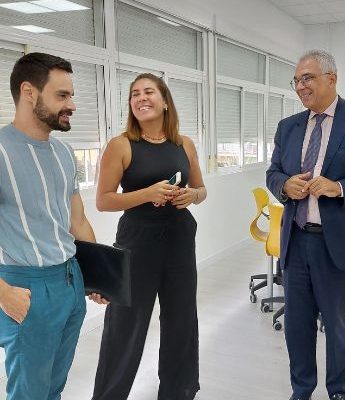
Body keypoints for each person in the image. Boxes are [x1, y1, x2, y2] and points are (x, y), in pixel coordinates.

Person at [266, 49, 345, 400]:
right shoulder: (288, 127)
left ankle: (338, 390)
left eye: (307, 78)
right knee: (296, 326)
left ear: (332, 78)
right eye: (296, 80)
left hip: (338, 243)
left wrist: (339, 188)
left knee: (337, 326)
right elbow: (273, 173)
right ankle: (302, 390)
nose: (300, 86)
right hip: (296, 241)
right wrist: (284, 185)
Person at [92, 73, 206, 400]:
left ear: (165, 101)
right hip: (137, 242)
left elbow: (201, 189)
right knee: (124, 324)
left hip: (179, 238)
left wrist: (192, 196)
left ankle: (178, 391)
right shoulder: (121, 145)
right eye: (135, 94)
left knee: (181, 320)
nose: (141, 98)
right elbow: (103, 201)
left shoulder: (184, 144)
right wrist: (147, 193)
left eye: (149, 92)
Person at [0, 52, 105, 400]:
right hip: (26, 287)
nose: (71, 105)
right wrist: (3, 293)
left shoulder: (64, 153)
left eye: (71, 95)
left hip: (71, 282)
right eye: (62, 95)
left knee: (53, 388)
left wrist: (98, 277)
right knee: (29, 394)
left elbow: (78, 221)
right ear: (29, 92)